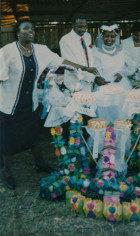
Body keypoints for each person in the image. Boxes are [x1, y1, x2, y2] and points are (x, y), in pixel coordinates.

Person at [0, 18, 99, 190]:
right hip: (9, 104)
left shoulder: (40, 50)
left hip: (29, 103)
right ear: (17, 32)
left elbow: (62, 62)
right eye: (25, 29)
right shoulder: (7, 51)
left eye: (32, 28)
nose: (30, 31)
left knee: (33, 135)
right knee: (9, 140)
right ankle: (7, 172)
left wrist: (84, 68)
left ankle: (40, 163)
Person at [59, 13, 107, 92]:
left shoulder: (87, 36)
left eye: (85, 26)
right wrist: (93, 78)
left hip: (89, 82)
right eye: (80, 27)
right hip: (75, 84)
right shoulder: (65, 40)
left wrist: (96, 75)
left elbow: (90, 58)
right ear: (73, 25)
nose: (83, 29)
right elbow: (71, 66)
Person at [93, 23, 135, 91]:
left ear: (116, 37)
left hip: (121, 84)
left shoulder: (122, 50)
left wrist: (122, 74)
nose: (109, 39)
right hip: (104, 84)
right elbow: (96, 68)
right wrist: (99, 77)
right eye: (106, 36)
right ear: (102, 37)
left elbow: (132, 66)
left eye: (112, 36)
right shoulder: (96, 51)